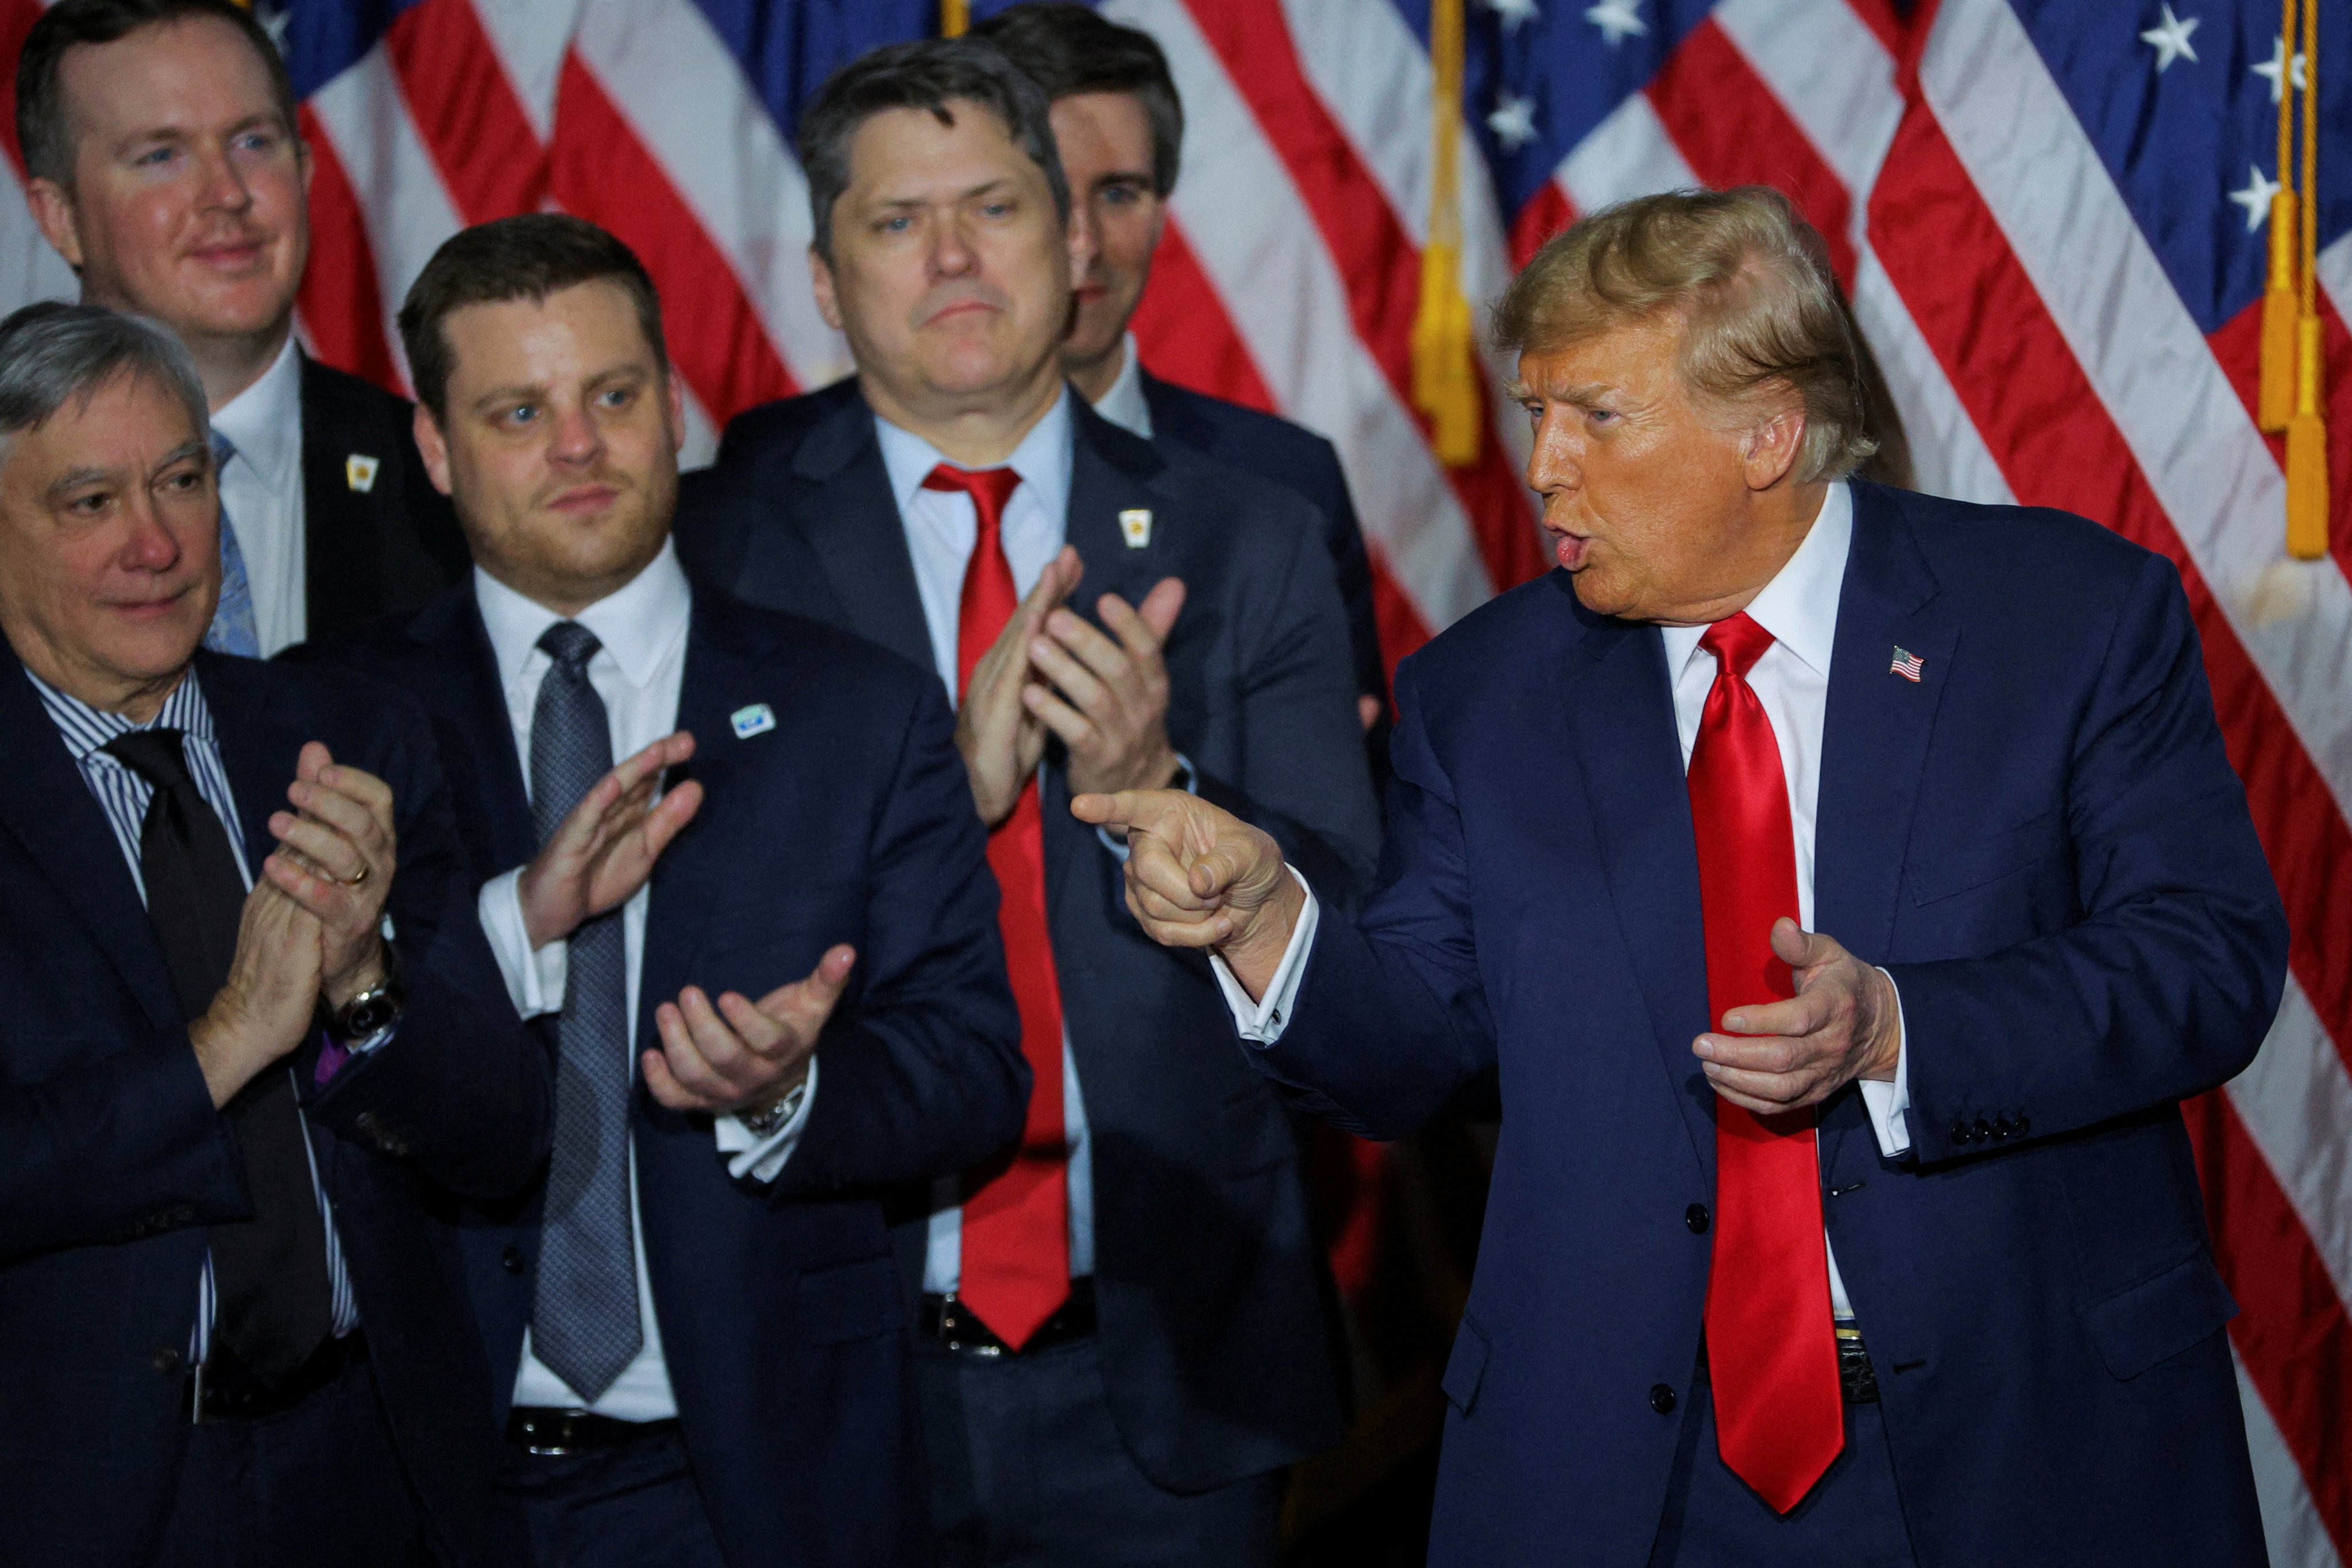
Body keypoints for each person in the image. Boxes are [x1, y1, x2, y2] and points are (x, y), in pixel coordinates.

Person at [1080, 187, 2288, 1566]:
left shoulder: (2064, 620)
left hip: (2028, 1452)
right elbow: (1412, 1049)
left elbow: (2206, 963)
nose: (1545, 468)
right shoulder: (1486, 694)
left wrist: (1902, 1026)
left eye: (1598, 416)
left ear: (1766, 432)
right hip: (1624, 1479)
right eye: (1537, 413)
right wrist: (1271, 922)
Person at [678, 39, 1378, 1566]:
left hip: (1167, 1381)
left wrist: (1159, 791)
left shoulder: (1247, 533)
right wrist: (956, 793)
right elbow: (672, 947)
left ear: (1071, 243)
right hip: (829, 1356)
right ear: (819, 278)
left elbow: (1361, 952)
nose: (944, 256)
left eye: (989, 208)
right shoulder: (714, 540)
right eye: (891, 221)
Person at [303, 213, 1029, 1568]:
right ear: (438, 450)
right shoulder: (336, 723)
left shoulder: (855, 711)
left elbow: (977, 1066)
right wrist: (513, 929)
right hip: (417, 1481)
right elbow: (308, 1070)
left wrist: (788, 1090)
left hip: (755, 1480)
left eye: (614, 396)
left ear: (678, 409)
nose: (578, 445)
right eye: (520, 410)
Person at [0, 301, 548, 1566]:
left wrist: (365, 987)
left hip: (377, 1460)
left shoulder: (342, 739)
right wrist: (227, 1042)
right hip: (90, 1496)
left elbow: (503, 1134)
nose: (154, 542)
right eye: (89, 503)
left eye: (181, 481)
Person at [16, 0, 468, 656]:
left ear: (305, 172)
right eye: (162, 155)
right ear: (61, 219)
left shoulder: (450, 486)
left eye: (253, 142)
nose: (226, 192)